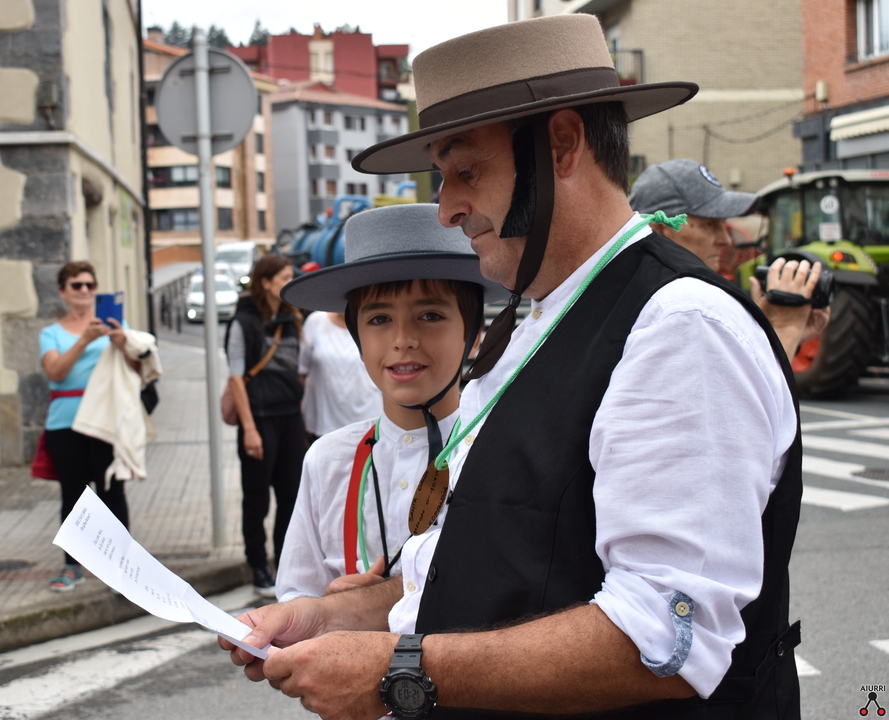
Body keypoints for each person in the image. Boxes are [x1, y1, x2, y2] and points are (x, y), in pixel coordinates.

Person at [221, 15, 802, 720]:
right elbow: (502, 559)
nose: (446, 209)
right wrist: (336, 617)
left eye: (465, 171)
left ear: (562, 144)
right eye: (441, 178)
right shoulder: (537, 323)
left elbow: (665, 637)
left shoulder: (680, 328)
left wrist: (396, 669)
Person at [276, 204, 505, 601]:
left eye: (430, 315)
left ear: (474, 336)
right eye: (379, 319)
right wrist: (329, 609)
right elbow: (295, 596)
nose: (403, 340)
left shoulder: (504, 455)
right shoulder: (327, 461)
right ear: (357, 339)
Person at [629, 158, 831, 356]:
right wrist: (785, 329)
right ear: (661, 229)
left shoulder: (643, 296)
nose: (726, 240)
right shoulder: (680, 310)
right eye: (709, 225)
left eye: (723, 224)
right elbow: (743, 380)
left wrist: (765, 332)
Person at [40, 261, 131, 592]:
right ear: (63, 291)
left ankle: (122, 566)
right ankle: (72, 565)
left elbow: (137, 366)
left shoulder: (114, 325)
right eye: (76, 285)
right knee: (74, 495)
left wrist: (121, 342)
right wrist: (84, 340)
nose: (84, 291)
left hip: (105, 419)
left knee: (112, 492)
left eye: (90, 285)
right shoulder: (51, 333)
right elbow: (55, 371)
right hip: (65, 422)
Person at [225, 255, 305, 596]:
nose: (289, 282)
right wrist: (250, 429)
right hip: (258, 419)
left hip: (291, 418)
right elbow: (236, 378)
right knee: (257, 497)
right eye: (284, 277)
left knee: (291, 495)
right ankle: (257, 564)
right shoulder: (242, 323)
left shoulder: (293, 318)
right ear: (266, 283)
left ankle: (283, 561)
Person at [298, 309, 381, 442]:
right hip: (323, 423)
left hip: (368, 421)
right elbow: (302, 371)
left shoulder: (376, 322)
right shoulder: (315, 321)